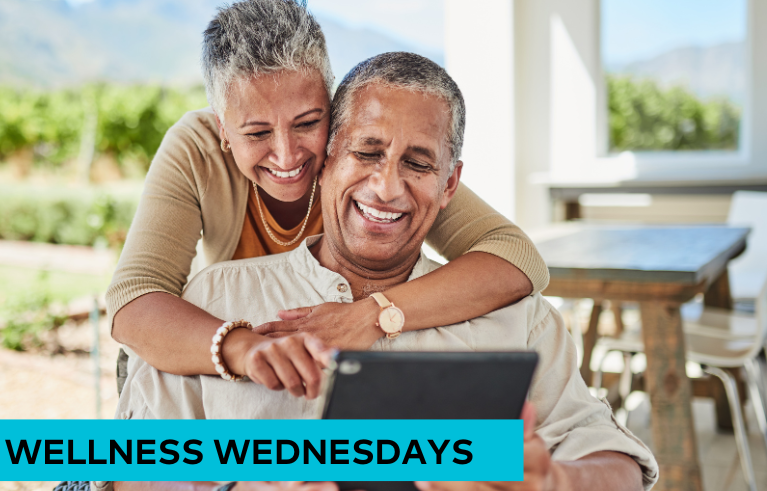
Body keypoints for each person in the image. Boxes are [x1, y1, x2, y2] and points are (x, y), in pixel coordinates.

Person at [94, 52, 658, 491]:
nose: (387, 187)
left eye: (418, 164)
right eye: (367, 152)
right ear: (327, 159)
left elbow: (621, 471)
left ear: (450, 183)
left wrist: (558, 490)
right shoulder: (214, 300)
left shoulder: (519, 317)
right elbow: (126, 475)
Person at [106, 0, 550, 395]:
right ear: (224, 129)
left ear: (334, 106)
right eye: (257, 132)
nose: (287, 154)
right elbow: (133, 298)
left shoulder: (367, 154)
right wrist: (243, 348)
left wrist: (374, 314)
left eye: (307, 122)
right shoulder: (196, 149)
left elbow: (515, 258)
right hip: (212, 361)